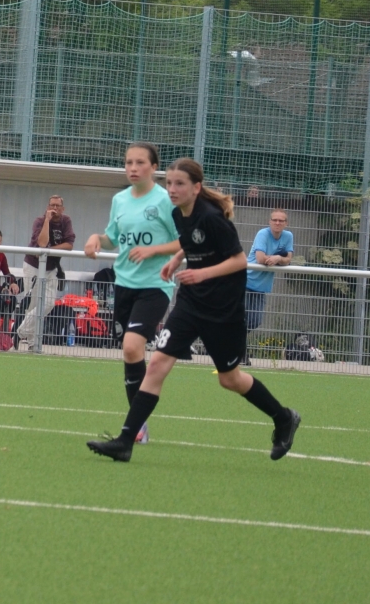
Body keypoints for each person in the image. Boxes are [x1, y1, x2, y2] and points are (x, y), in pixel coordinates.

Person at [88, 158, 300, 464]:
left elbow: (239, 260)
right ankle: (125, 441)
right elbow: (189, 240)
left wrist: (201, 273)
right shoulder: (178, 213)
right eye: (169, 183)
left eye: (180, 184)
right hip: (190, 304)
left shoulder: (213, 217)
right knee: (157, 363)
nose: (172, 189)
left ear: (196, 187)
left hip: (223, 310)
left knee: (229, 379)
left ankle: (283, 417)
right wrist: (176, 259)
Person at [80, 143, 180, 441]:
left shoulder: (165, 200)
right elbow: (112, 238)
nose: (133, 168)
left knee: (133, 347)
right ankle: (139, 424)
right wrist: (95, 239)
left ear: (154, 167)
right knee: (128, 352)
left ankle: (135, 427)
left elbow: (184, 241)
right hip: (124, 285)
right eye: (128, 163)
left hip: (155, 286)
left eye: (140, 163)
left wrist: (153, 251)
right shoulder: (120, 200)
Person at [244, 209, 293, 335]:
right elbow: (260, 258)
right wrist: (275, 259)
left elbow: (288, 259)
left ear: (286, 223)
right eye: (274, 220)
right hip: (245, 282)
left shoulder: (288, 236)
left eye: (281, 220)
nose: (277, 223)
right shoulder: (263, 234)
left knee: (255, 321)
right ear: (269, 221)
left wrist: (278, 258)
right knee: (238, 318)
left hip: (261, 287)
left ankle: (233, 342)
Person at [27, 194, 75, 286]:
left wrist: (49, 250)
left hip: (52, 267)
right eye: (52, 205)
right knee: (33, 295)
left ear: (63, 209)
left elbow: (69, 245)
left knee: (50, 295)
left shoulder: (66, 220)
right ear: (48, 207)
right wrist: (47, 220)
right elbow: (42, 243)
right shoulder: (39, 221)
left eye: (58, 205)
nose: (55, 208)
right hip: (34, 265)